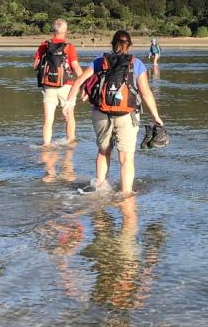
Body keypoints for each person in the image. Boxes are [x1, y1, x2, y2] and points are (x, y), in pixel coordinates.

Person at [68, 30, 164, 195]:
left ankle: (99, 189)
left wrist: (69, 103)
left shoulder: (100, 61)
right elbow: (146, 93)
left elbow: (79, 81)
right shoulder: (137, 64)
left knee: (103, 151)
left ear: (112, 44)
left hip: (101, 114)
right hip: (127, 115)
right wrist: (156, 117)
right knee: (126, 157)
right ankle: (126, 196)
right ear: (130, 46)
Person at [32, 18, 84, 146]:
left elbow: (35, 66)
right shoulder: (69, 47)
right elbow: (76, 68)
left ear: (53, 30)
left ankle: (46, 145)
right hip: (66, 86)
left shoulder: (44, 45)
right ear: (65, 31)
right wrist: (84, 85)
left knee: (48, 119)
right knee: (69, 117)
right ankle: (71, 143)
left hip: (48, 86)